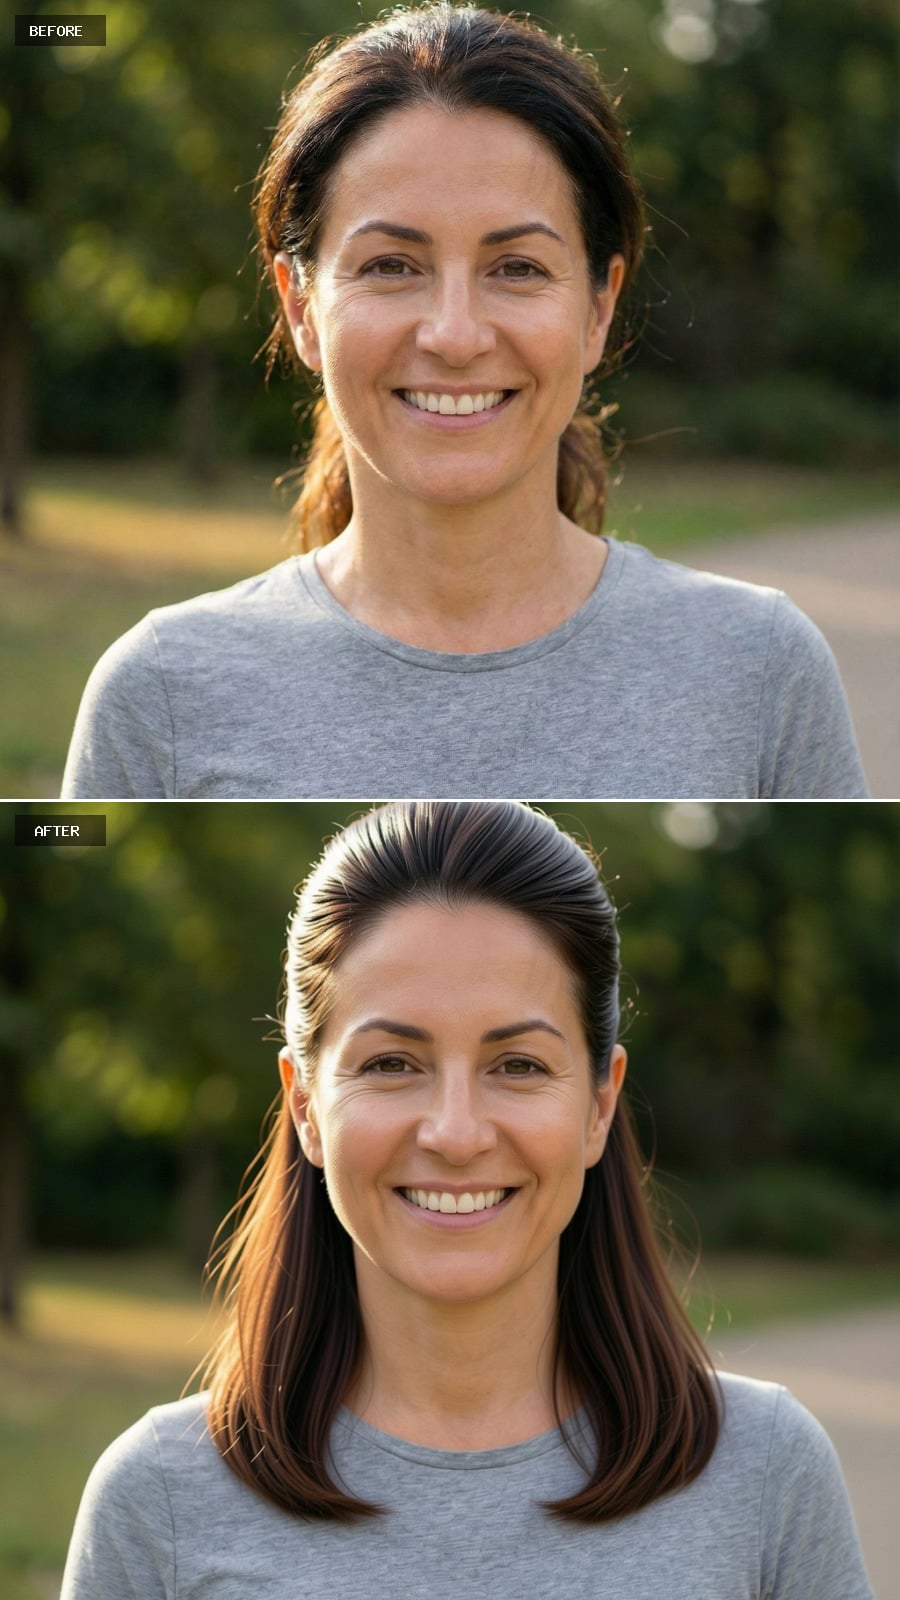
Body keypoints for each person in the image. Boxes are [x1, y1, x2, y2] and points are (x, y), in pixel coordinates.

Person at [61, 800, 874, 1598]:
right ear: (306, 1106)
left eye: (517, 1065)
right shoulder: (159, 1500)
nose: (455, 1133)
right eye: (391, 1064)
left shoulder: (764, 1474)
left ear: (598, 1107)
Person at [61, 4, 867, 801]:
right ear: (300, 308)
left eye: (516, 268)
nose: (454, 334)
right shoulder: (161, 693)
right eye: (390, 266)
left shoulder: (758, 667)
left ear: (597, 308)